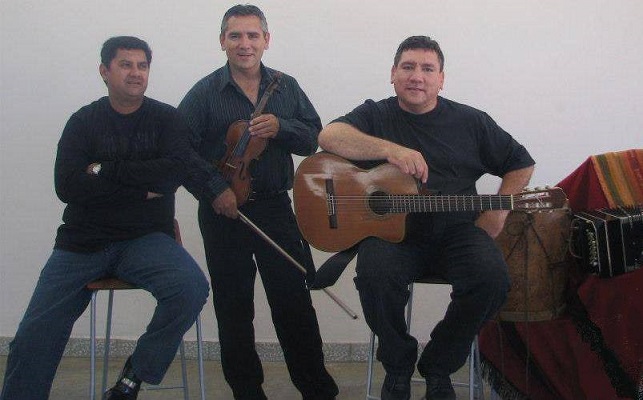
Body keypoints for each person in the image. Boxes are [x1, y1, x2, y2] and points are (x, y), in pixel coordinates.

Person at [317, 36, 536, 400]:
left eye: (427, 69)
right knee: (374, 277)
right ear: (393, 74)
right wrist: (390, 149)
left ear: (441, 79)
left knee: (492, 280)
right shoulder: (375, 115)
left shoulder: (471, 121)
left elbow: (521, 163)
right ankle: (398, 364)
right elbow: (329, 135)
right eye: (408, 67)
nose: (416, 76)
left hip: (457, 231)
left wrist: (498, 210)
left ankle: (438, 364)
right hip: (393, 237)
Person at [0, 36, 210, 400]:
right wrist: (139, 190)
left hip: (146, 239)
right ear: (104, 71)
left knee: (190, 288)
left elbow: (171, 175)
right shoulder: (83, 122)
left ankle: (133, 376)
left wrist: (103, 170)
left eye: (142, 66)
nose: (135, 73)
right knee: (33, 336)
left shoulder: (166, 119)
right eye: (126, 65)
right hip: (82, 242)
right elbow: (68, 186)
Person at [177, 4, 338, 400]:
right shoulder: (204, 93)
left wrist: (282, 127)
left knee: (293, 302)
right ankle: (247, 391)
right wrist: (214, 189)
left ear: (266, 40)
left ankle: (317, 389)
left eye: (252, 35)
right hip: (222, 211)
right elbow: (179, 151)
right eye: (235, 36)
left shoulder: (287, 87)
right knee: (233, 308)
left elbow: (313, 137)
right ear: (222, 41)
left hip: (274, 207)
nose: (244, 44)